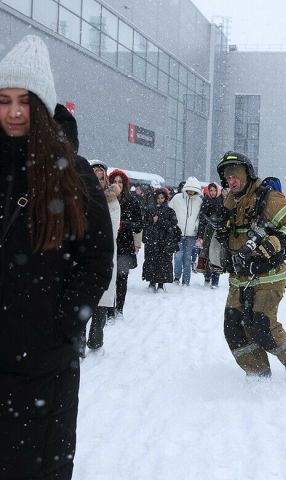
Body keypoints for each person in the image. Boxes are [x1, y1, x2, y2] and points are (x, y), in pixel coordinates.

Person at [0, 35, 114, 479]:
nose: (12, 111)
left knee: (36, 467)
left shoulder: (72, 173)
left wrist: (64, 320)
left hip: (43, 364)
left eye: (24, 101)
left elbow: (97, 258)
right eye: (4, 99)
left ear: (42, 107)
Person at [215, 151, 286, 377]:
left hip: (268, 277)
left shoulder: (266, 197)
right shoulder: (229, 202)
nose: (231, 181)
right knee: (234, 329)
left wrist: (276, 241)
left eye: (235, 175)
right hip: (238, 278)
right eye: (227, 177)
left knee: (263, 328)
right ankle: (258, 376)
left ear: (247, 174)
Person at [85, 160, 122, 351]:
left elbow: (112, 227)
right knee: (81, 300)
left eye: (102, 177)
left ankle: (96, 339)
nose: (99, 181)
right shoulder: (81, 196)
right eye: (95, 177)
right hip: (83, 254)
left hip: (104, 253)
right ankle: (77, 343)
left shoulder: (112, 200)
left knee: (101, 298)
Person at [108, 169, 143, 320]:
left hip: (124, 244)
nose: (117, 185)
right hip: (108, 243)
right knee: (109, 279)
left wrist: (125, 225)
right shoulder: (105, 199)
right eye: (114, 182)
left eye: (120, 182)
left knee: (122, 279)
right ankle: (108, 311)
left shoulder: (132, 201)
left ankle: (119, 309)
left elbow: (139, 225)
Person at [142, 189, 180, 293]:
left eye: (162, 198)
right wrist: (151, 223)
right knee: (151, 261)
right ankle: (152, 282)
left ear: (165, 198)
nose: (160, 200)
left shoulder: (169, 211)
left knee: (163, 263)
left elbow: (173, 226)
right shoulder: (149, 210)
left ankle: (161, 285)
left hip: (165, 241)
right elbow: (144, 224)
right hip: (152, 240)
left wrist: (160, 221)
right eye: (158, 198)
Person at [168, 176, 203, 286]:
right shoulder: (177, 198)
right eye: (190, 189)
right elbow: (170, 212)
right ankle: (177, 277)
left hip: (191, 235)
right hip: (178, 233)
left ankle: (186, 281)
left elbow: (199, 217)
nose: (191, 192)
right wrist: (173, 227)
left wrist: (195, 227)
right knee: (178, 256)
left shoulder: (199, 201)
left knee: (188, 259)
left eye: (194, 190)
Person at [196, 181, 224, 288]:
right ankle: (207, 277)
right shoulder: (206, 201)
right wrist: (200, 236)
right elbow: (202, 221)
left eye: (214, 190)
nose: (212, 192)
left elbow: (224, 218)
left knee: (216, 255)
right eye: (210, 190)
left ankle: (215, 280)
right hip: (207, 232)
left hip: (218, 232)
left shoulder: (222, 202)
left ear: (218, 190)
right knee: (207, 255)